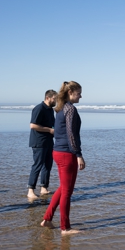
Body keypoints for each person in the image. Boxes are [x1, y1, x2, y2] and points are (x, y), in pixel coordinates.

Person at [42, 81, 84, 235]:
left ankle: (47, 219)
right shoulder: (70, 109)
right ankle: (65, 228)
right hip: (67, 154)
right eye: (79, 93)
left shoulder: (60, 109)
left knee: (63, 188)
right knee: (67, 192)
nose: (81, 96)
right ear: (70, 92)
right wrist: (79, 155)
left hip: (58, 152)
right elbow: (71, 134)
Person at [28, 90, 57, 200]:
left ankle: (44, 188)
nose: (56, 101)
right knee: (37, 165)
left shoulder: (50, 110)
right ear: (48, 98)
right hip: (38, 142)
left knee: (48, 165)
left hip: (48, 141)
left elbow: (53, 124)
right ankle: (30, 190)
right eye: (55, 99)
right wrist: (49, 130)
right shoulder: (39, 108)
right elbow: (33, 125)